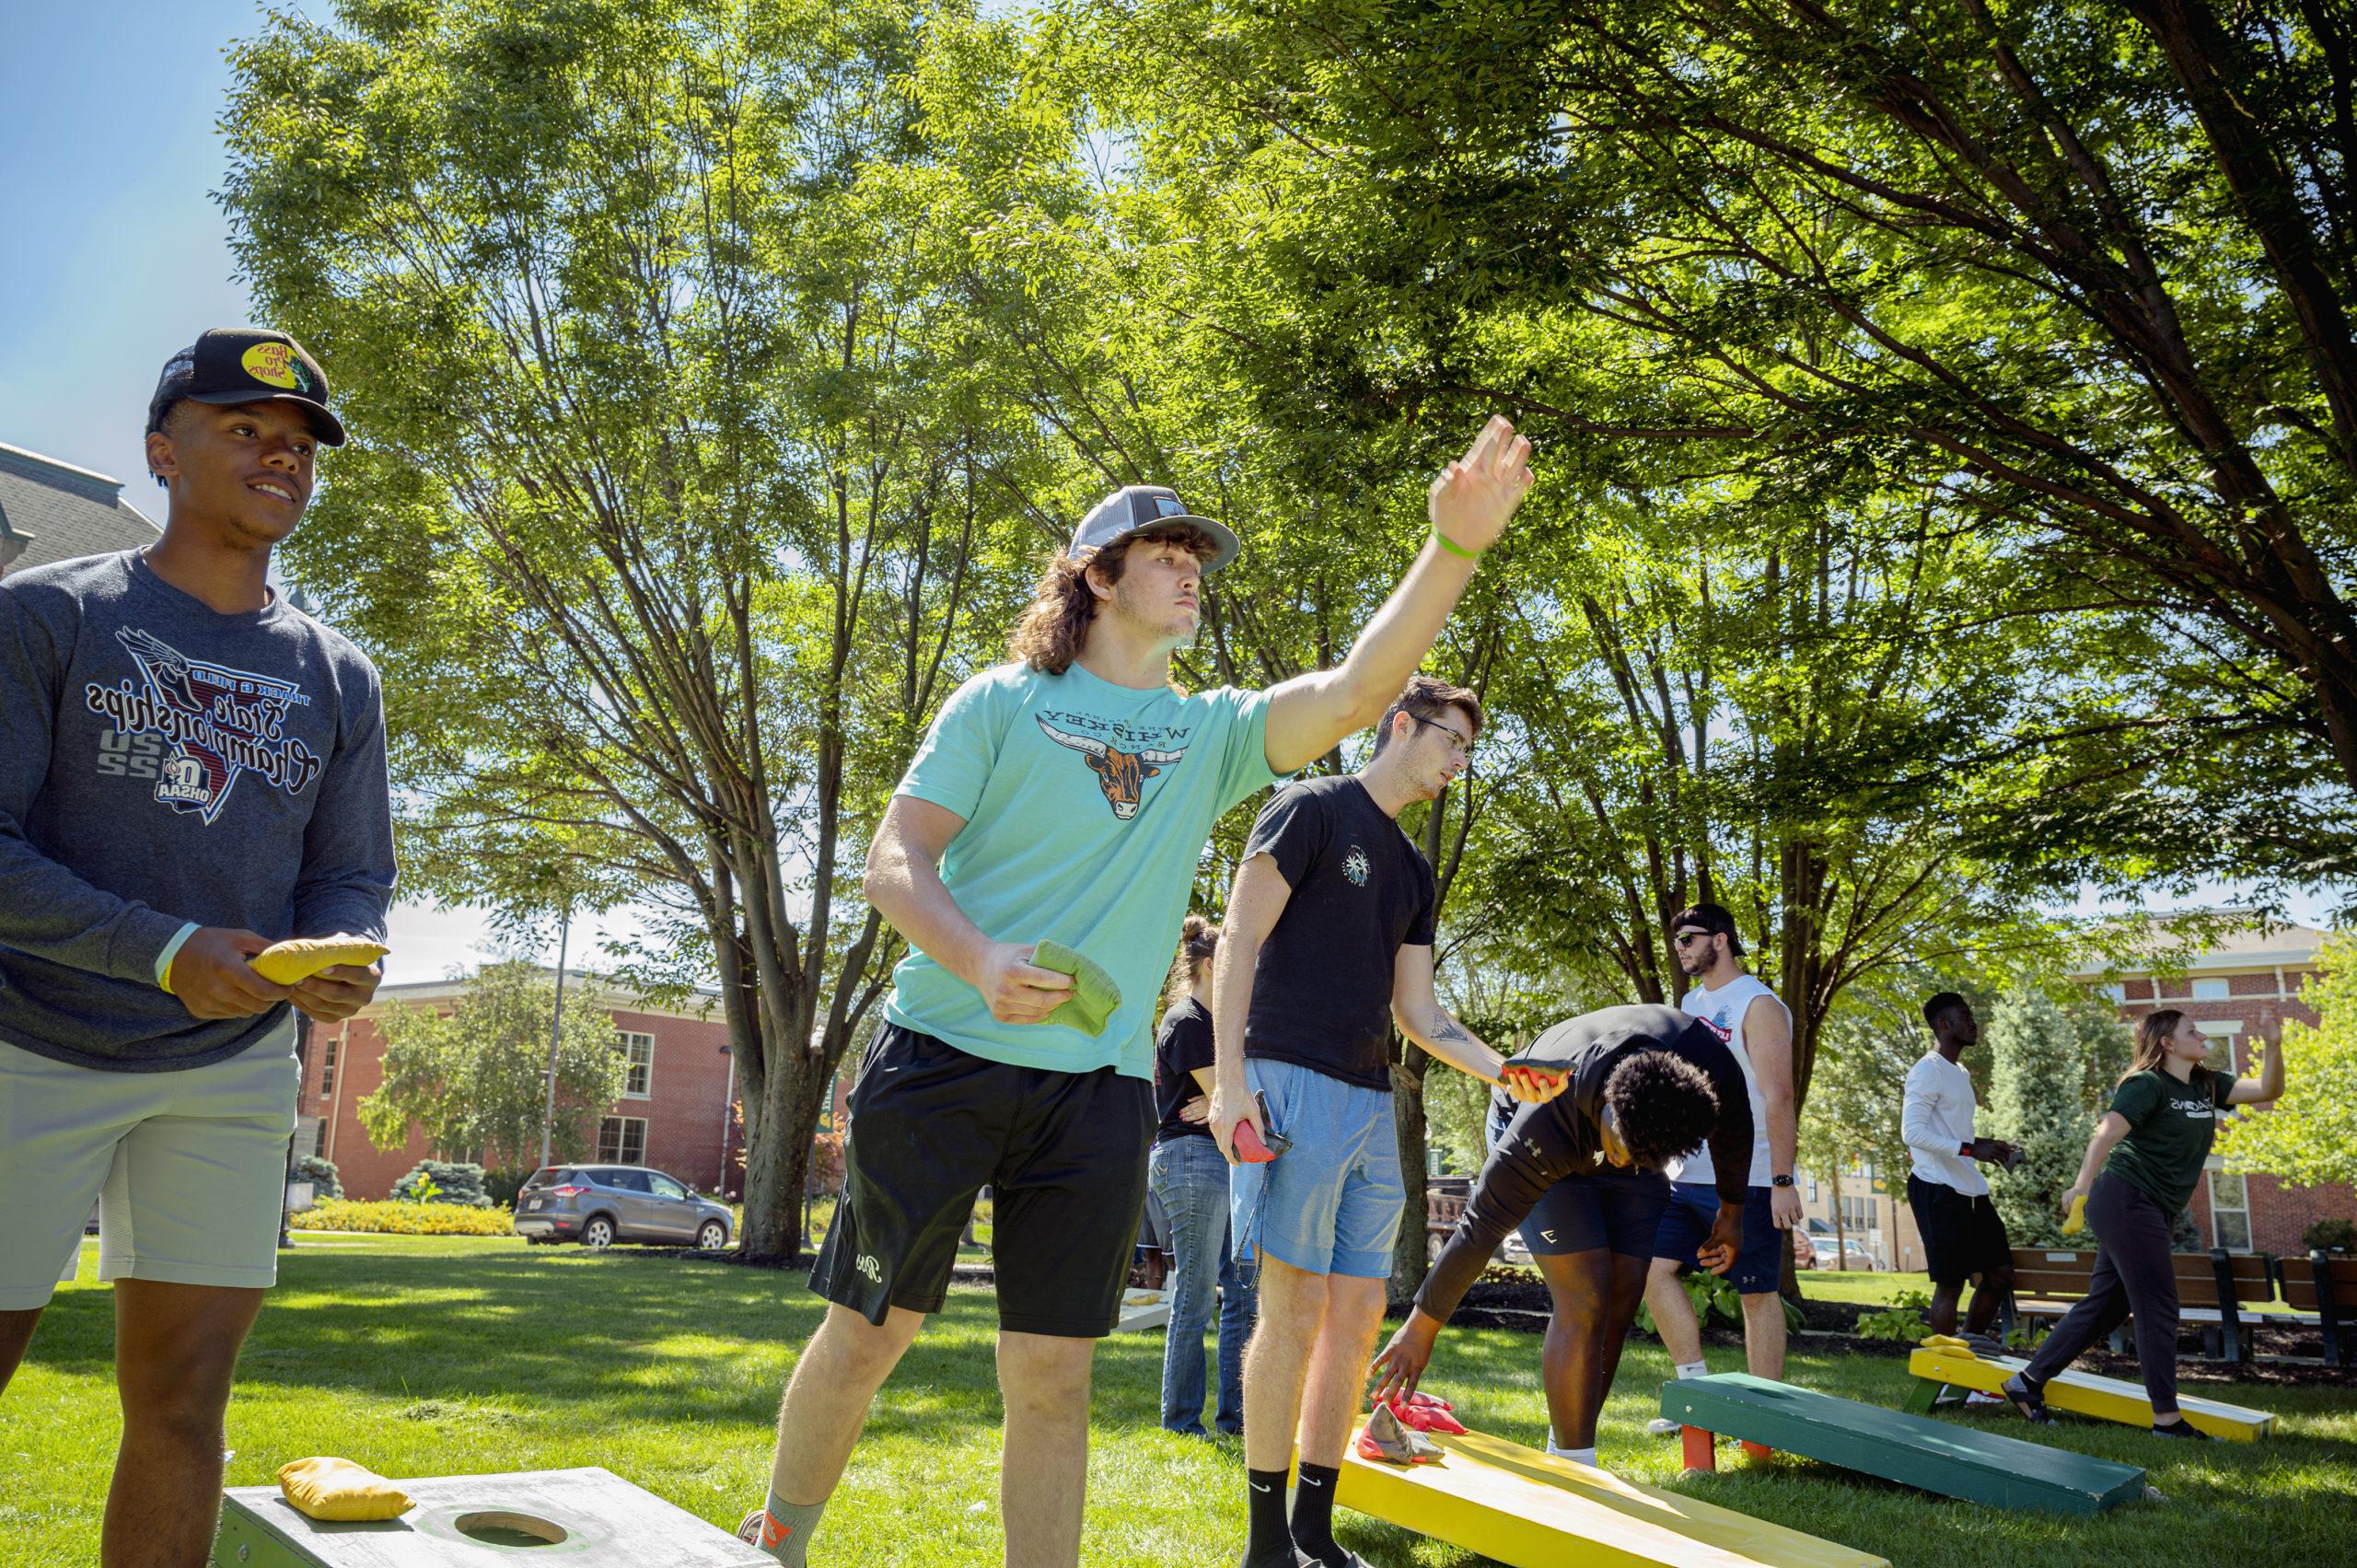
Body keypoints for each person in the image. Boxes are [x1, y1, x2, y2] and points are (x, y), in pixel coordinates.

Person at [739, 417, 1536, 1568]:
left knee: (1054, 1373)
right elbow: (893, 855)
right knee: (871, 1329)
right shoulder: (1001, 702)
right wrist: (976, 958)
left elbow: (1363, 689)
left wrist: (1452, 547)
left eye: (1197, 556)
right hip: (942, 1056)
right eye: (1164, 551)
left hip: (1097, 1097)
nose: (1189, 570)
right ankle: (776, 1537)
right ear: (1098, 575)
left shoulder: (1206, 733)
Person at [0, 328, 396, 1566]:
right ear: (163, 452)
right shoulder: (45, 617)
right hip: (26, 1039)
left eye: (299, 444)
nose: (280, 453)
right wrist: (163, 945)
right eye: (245, 428)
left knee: (182, 1401)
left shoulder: (339, 674)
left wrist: (347, 952)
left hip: (227, 1065)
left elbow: (350, 871)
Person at [1209, 675, 1563, 1568]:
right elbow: (1238, 939)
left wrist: (1504, 1069)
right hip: (1289, 1078)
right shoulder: (1308, 808)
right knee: (1288, 1311)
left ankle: (1311, 1531)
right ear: (1400, 724)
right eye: (1451, 741)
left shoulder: (1412, 867)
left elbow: (1419, 1010)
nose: (1458, 763)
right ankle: (1263, 1547)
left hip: (1373, 1102)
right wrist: (1228, 1085)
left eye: (1468, 751)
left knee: (1359, 1312)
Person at [1370, 1004, 1751, 1469]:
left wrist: (1731, 1213)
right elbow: (1482, 1225)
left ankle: (1567, 1444)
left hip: (1639, 1126)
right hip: (1556, 1124)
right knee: (1586, 1295)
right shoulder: (1546, 1115)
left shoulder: (1705, 1075)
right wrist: (1421, 1327)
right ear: (1610, 1110)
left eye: (1638, 1163)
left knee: (1624, 1291)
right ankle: (1576, 1465)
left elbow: (1735, 1130)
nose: (1621, 1166)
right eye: (1618, 1153)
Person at [2002, 1008, 2284, 1438]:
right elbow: (2107, 1133)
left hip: (2151, 1206)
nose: (2202, 1035)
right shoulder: (2146, 1084)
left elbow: (2268, 1090)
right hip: (2126, 1197)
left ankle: (2026, 1383)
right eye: (2192, 1031)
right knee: (2157, 1306)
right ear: (2168, 1043)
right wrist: (2081, 1185)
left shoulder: (2208, 1084)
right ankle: (2167, 1420)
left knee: (2109, 1304)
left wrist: (2274, 1045)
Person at [1641, 902, 1798, 1436]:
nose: (1681, 947)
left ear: (1722, 940)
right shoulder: (1689, 1003)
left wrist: (1782, 1181)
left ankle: (1764, 1415)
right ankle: (1694, 1390)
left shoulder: (1758, 1004)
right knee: (1652, 1271)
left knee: (1755, 1294)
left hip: (1748, 1176)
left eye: (1689, 937)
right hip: (1686, 1174)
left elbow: (1778, 1095)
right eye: (1677, 939)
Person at [1147, 915, 1256, 1437]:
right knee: (1196, 1296)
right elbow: (1227, 1104)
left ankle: (1236, 1421)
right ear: (1213, 965)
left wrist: (1226, 1101)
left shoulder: (1217, 1029)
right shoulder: (1187, 1021)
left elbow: (1228, 1101)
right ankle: (1182, 1424)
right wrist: (1227, 1101)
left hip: (1223, 1160)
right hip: (1191, 1159)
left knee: (1241, 1293)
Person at [1902, 993, 2018, 1341]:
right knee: (1950, 1286)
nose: (1973, 1023)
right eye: (1964, 1016)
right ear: (1943, 1024)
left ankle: (1970, 1353)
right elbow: (1912, 1133)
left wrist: (1987, 1146)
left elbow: (1951, 1132)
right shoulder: (1927, 1070)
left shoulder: (1960, 1072)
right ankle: (1944, 1376)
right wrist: (1970, 1148)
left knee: (2000, 1275)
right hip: (1936, 1186)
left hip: (1970, 1187)